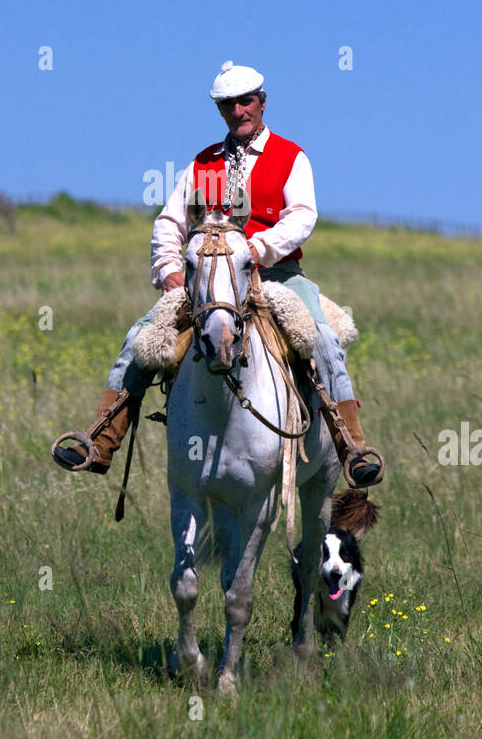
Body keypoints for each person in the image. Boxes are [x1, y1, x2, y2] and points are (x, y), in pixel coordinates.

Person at [53, 60, 382, 477]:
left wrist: (254, 250)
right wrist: (169, 268)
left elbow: (302, 217)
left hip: (275, 277)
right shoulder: (203, 164)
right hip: (208, 284)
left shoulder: (289, 157)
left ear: (262, 103)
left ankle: (352, 448)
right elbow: (169, 222)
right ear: (220, 111)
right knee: (140, 336)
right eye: (228, 105)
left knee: (321, 338)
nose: (238, 111)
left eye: (246, 102)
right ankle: (100, 441)